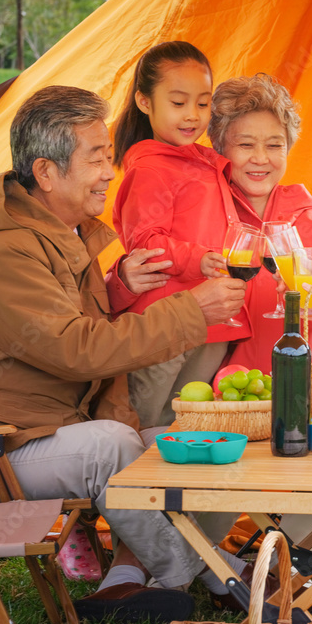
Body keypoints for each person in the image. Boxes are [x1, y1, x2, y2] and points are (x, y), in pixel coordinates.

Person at [0, 85, 251, 624]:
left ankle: (177, 574)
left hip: (25, 435)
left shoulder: (58, 238)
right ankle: (204, 574)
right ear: (46, 173)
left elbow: (81, 334)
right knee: (110, 448)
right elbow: (76, 349)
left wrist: (122, 287)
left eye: (108, 156)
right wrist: (192, 311)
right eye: (96, 158)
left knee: (181, 444)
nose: (110, 172)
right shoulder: (1, 251)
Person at [111, 41, 247, 429]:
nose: (192, 116)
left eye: (203, 104)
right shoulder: (150, 169)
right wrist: (196, 258)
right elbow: (145, 243)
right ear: (144, 101)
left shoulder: (201, 161)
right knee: (148, 420)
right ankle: (137, 486)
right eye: (178, 102)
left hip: (212, 321)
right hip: (166, 323)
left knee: (185, 423)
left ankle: (175, 487)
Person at [207, 73, 312, 372]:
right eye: (246, 145)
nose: (261, 158)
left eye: (274, 145)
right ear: (220, 148)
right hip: (228, 386)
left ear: (288, 149)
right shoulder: (204, 211)